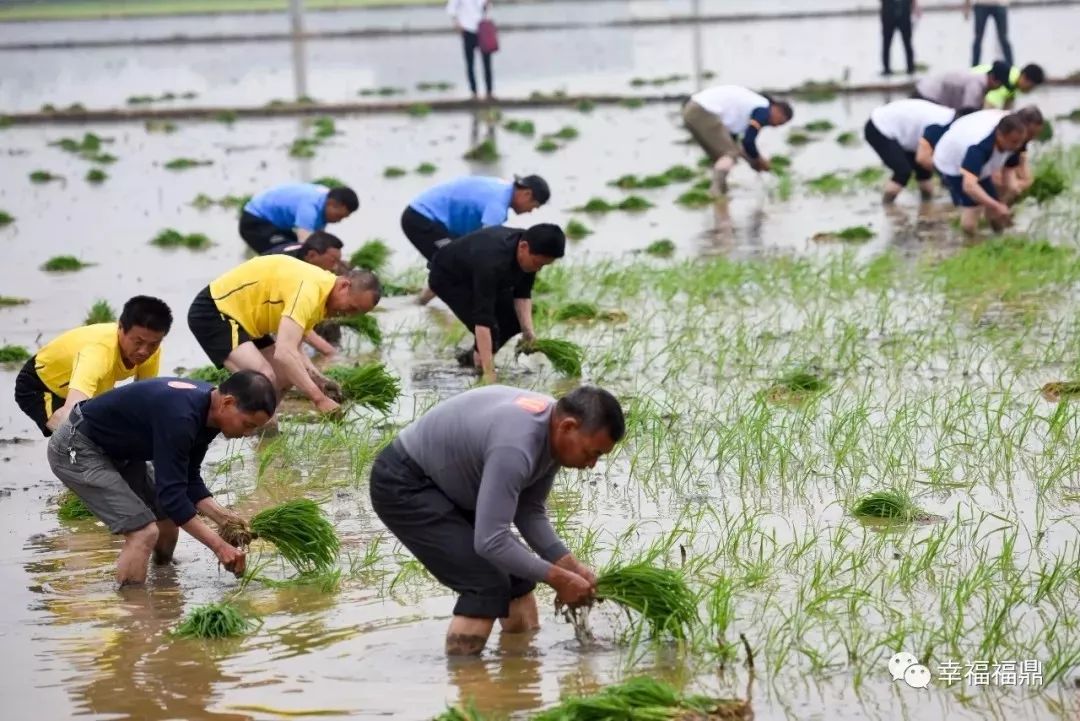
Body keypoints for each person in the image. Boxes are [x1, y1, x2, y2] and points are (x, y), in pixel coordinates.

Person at [369, 384, 625, 655]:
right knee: (485, 585)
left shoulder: (553, 433)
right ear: (568, 426)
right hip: (406, 483)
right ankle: (469, 683)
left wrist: (569, 566)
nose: (592, 464)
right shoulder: (516, 445)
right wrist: (558, 579)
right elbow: (491, 541)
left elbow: (529, 511)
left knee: (519, 579)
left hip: (452, 484)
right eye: (592, 452)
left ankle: (518, 673)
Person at [46, 371, 276, 586]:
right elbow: (173, 497)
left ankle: (162, 580)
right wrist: (220, 547)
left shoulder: (210, 413)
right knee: (143, 532)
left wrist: (225, 519)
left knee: (166, 521)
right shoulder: (181, 417)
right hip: (77, 447)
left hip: (122, 450)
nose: (247, 433)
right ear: (227, 402)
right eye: (247, 425)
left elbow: (188, 479)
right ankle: (135, 608)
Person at [187, 255, 380, 414]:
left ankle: (258, 434)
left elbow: (295, 350)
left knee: (284, 377)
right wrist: (319, 399)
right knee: (264, 377)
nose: (348, 314)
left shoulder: (322, 297)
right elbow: (284, 352)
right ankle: (227, 423)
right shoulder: (311, 290)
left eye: (356, 313)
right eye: (351, 307)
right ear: (344, 285)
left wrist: (319, 379)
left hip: (247, 320)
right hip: (216, 310)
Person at [14, 296, 172, 437]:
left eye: (154, 344)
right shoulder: (98, 353)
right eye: (138, 342)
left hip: (94, 385)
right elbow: (72, 409)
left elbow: (144, 399)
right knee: (75, 431)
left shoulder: (152, 351)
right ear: (120, 328)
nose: (144, 351)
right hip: (42, 385)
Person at [428, 223, 564, 381]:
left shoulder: (528, 250)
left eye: (543, 265)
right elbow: (482, 319)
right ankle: (480, 370)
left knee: (513, 321)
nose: (538, 269)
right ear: (524, 247)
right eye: (537, 263)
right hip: (449, 278)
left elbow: (522, 294)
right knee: (490, 329)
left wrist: (528, 333)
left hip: (477, 273)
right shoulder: (492, 261)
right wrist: (489, 373)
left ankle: (473, 359)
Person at [681, 84, 794, 195]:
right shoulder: (763, 110)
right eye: (780, 121)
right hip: (704, 111)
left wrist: (753, 163)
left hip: (691, 110)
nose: (776, 126)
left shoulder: (749, 109)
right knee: (729, 154)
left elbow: (736, 145)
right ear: (777, 110)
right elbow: (748, 142)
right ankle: (716, 193)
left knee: (723, 156)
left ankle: (722, 194)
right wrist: (758, 160)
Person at [933, 110, 1028, 234]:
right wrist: (997, 206)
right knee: (973, 210)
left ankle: (998, 237)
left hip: (977, 155)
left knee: (994, 206)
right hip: (951, 161)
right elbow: (969, 186)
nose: (1018, 146)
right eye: (1014, 142)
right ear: (999, 135)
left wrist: (1008, 195)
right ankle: (969, 243)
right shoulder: (979, 148)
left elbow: (1009, 172)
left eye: (1021, 142)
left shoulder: (1015, 139)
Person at [865, 98, 958, 202]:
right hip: (879, 127)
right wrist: (946, 175)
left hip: (907, 134)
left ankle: (927, 205)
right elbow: (922, 158)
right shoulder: (940, 124)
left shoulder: (951, 122)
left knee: (924, 172)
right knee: (903, 172)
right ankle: (888, 207)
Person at [239, 183, 359, 254]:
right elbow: (305, 247)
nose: (339, 221)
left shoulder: (325, 199)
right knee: (288, 256)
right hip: (255, 222)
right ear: (332, 203)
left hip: (277, 225)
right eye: (339, 216)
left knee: (293, 248)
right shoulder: (310, 208)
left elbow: (318, 240)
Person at [913, 61, 1011, 111]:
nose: (999, 88)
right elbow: (968, 112)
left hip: (927, 92)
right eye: (1000, 84)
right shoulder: (976, 85)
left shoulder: (980, 81)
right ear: (993, 79)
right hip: (926, 96)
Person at [448, 0, 494, 101]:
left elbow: (488, 8)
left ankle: (489, 92)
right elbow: (451, 8)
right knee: (470, 63)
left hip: (482, 28)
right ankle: (474, 92)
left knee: (487, 62)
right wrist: (457, 23)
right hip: (467, 28)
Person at [263, 230, 345, 272]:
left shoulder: (303, 251)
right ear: (312, 255)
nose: (335, 268)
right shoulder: (285, 263)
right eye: (333, 261)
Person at [976, 62, 1045, 108]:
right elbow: (989, 106)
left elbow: (1007, 109)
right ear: (1024, 78)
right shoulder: (1006, 80)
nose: (1030, 91)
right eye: (1031, 87)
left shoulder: (1014, 82)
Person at [965, 0, 1012, 67]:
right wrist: (967, 6)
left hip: (1000, 4)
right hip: (981, 4)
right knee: (978, 38)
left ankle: (1011, 67)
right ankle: (974, 68)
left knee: (1003, 38)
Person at [880, 0, 920, 76]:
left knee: (907, 43)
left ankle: (910, 68)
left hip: (904, 14)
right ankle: (886, 69)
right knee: (886, 44)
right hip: (888, 15)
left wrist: (916, 8)